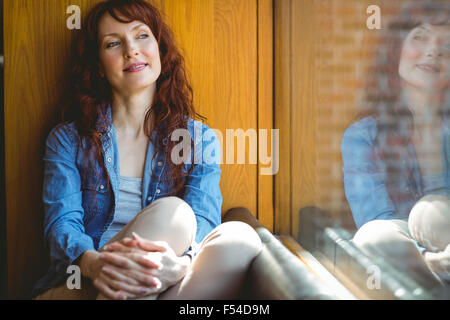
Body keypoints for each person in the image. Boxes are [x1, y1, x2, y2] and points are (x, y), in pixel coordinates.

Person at [32, 0, 262, 300]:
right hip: (84, 284)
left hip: (164, 281)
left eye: (142, 35)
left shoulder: (199, 140)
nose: (131, 50)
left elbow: (205, 221)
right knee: (174, 213)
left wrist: (179, 266)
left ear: (160, 51)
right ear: (98, 66)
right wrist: (97, 265)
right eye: (114, 43)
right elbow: (62, 226)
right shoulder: (67, 139)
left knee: (240, 238)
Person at [341, 1, 450, 291]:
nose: (434, 51)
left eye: (446, 44)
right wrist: (432, 257)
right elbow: (376, 219)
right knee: (373, 236)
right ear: (395, 48)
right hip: (407, 248)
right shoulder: (363, 136)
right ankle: (435, 275)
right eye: (420, 36)